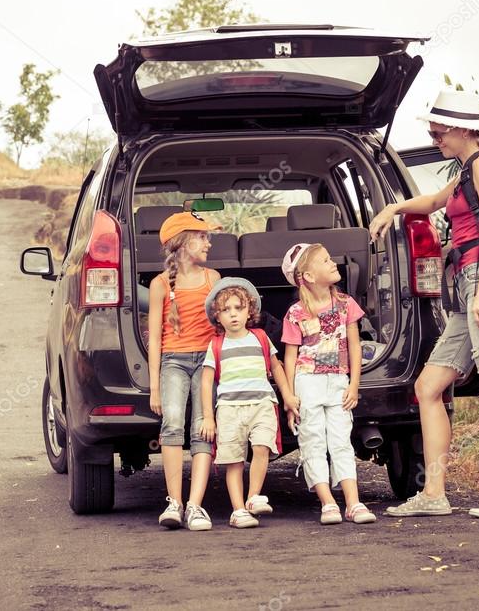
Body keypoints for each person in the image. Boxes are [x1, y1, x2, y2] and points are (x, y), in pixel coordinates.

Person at [370, 89, 479, 519]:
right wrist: (393, 207)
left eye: (438, 130)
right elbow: (432, 202)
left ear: (463, 129)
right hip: (470, 288)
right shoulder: (466, 171)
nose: (434, 136)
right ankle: (434, 494)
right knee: (427, 388)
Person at [281, 243, 377, 525]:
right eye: (325, 260)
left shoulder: (347, 304)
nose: (333, 262)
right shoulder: (295, 313)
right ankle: (328, 502)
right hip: (306, 382)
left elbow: (355, 346)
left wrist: (354, 384)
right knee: (311, 440)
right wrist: (289, 397)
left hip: (338, 380)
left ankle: (354, 502)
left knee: (340, 441)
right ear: (308, 276)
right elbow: (290, 357)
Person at [198, 278, 300, 529]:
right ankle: (238, 510)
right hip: (230, 409)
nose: (233, 314)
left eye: (238, 308)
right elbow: (206, 382)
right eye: (226, 310)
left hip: (262, 404)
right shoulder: (216, 344)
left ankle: (253, 496)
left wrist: (287, 396)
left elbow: (276, 368)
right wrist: (208, 417)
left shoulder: (261, 337)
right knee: (233, 460)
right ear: (217, 317)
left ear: (249, 311)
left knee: (262, 447)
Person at [148, 211, 221, 530]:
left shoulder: (213, 279)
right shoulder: (160, 284)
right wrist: (154, 387)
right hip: (174, 361)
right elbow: (154, 339)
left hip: (206, 362)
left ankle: (195, 505)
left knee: (203, 427)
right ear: (182, 244)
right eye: (201, 237)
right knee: (173, 421)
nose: (208, 243)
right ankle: (174, 502)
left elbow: (222, 331)